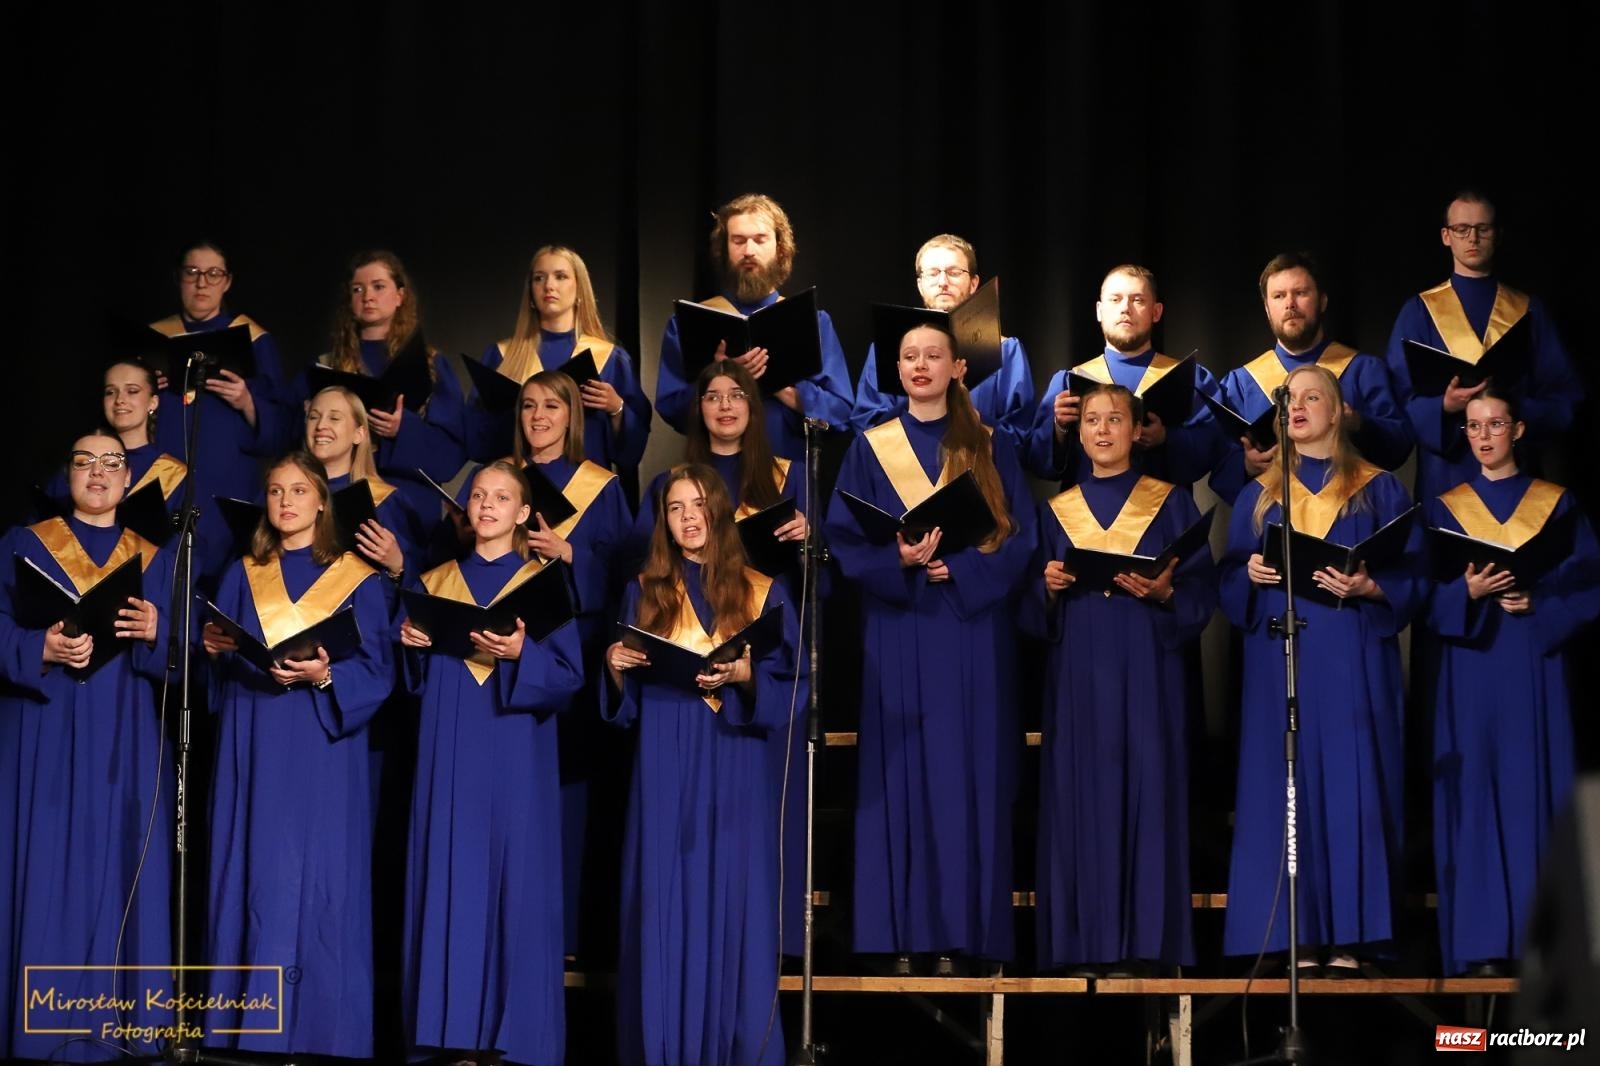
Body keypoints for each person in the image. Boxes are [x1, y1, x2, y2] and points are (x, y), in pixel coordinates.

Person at [825, 323, 1035, 972]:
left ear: (957, 369)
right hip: (899, 626)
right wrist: (898, 557)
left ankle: (964, 935)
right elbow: (843, 539)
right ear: (896, 366)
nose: (920, 365)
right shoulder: (871, 446)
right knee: (901, 779)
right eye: (909, 355)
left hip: (969, 630)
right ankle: (902, 937)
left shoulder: (988, 444)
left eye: (933, 356)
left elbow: (1020, 539)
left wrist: (961, 570)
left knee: (966, 778)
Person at [1219, 365, 1423, 975]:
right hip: (1282, 662)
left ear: (1338, 413)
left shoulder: (1380, 489)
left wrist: (1371, 585)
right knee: (1286, 789)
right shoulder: (1259, 497)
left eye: (1314, 397)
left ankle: (1353, 933)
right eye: (1290, 400)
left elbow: (1414, 574)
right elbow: (1229, 576)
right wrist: (1248, 577)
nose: (1299, 407)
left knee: (1353, 786)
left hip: (1353, 656)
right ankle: (1294, 933)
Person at [604, 465, 800, 1066]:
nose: (689, 518)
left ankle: (739, 1048)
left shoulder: (763, 589)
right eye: (675, 508)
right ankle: (664, 1046)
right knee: (666, 896)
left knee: (736, 898)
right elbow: (621, 702)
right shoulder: (644, 590)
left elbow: (798, 686)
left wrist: (745, 676)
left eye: (699, 506)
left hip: (736, 755)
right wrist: (613, 665)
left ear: (720, 512)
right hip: (666, 750)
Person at [201, 451, 393, 1057]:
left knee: (323, 879)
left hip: (321, 743)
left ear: (321, 500)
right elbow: (225, 652)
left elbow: (380, 669)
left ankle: (322, 1030)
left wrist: (328, 674)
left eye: (299, 490)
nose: (286, 502)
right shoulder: (241, 571)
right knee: (253, 869)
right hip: (253, 734)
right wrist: (215, 648)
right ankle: (243, 1027)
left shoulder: (357, 576)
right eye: (276, 491)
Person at [1023, 386, 1217, 974]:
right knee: (1082, 792)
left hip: (1147, 669)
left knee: (1147, 789)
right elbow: (1030, 605)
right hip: (1081, 670)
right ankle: (1085, 943)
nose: (1102, 430)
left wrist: (1167, 593)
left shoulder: (1171, 502)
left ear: (1138, 431)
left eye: (1115, 419)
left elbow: (1201, 589)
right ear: (1078, 433)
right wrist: (1048, 589)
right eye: (1090, 420)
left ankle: (1145, 943)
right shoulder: (1058, 510)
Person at [399, 461, 585, 1065]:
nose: (486, 506)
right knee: (450, 876)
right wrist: (414, 647)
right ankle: (446, 1035)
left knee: (515, 881)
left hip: (514, 748)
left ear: (524, 513)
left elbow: (568, 676)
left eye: (501, 497)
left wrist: (520, 652)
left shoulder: (544, 582)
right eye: (478, 496)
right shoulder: (434, 581)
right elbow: (411, 681)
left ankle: (514, 1040)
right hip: (448, 745)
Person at [0, 430, 173, 1061]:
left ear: (129, 480)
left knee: (121, 865)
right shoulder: (24, 544)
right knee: (42, 867)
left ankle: (119, 1033)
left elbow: (195, 660)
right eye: (83, 462)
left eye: (112, 463)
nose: (97, 472)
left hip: (123, 733)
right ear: (65, 474)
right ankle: (36, 1033)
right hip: (42, 727)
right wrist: (35, 647)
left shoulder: (155, 558)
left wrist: (159, 631)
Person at [1424, 389, 1600, 977]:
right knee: (1476, 793)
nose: (1483, 435)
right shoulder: (1446, 508)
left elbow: (1589, 584)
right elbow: (1419, 595)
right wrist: (1465, 593)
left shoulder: (1556, 503)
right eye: (1473, 426)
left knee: (1534, 792)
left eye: (1495, 423)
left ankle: (1542, 941)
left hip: (1532, 658)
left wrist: (1542, 599)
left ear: (1518, 429)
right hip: (1472, 662)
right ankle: (1481, 947)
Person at [505, 370, 633, 959]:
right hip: (509, 647)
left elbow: (626, 577)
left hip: (574, 652)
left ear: (570, 416)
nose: (538, 416)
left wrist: (570, 553)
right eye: (529, 405)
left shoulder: (600, 487)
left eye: (551, 406)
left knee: (571, 797)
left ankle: (567, 934)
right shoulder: (501, 483)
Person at [1384, 189, 1583, 501]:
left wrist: (1513, 408)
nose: (1472, 238)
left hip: (1516, 474)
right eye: (1462, 229)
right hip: (1446, 479)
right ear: (1446, 236)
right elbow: (1398, 399)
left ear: (1497, 234)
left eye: (1482, 229)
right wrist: (1444, 406)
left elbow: (1565, 397)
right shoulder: (1419, 311)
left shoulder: (1527, 310)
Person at [654, 193, 853, 458]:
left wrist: (781, 386)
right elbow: (670, 407)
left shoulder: (813, 322)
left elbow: (840, 411)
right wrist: (717, 377)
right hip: (713, 477)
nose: (749, 251)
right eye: (738, 241)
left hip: (785, 472)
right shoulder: (688, 323)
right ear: (724, 249)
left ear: (780, 248)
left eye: (760, 240)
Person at [1209, 253, 1413, 504]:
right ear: (1267, 308)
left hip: (1351, 516)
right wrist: (1247, 466)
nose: (1290, 304)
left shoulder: (1363, 370)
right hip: (1275, 521)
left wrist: (1358, 423)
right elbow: (1217, 467)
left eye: (1301, 293)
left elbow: (1399, 447)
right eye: (1279, 296)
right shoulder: (1240, 384)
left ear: (1322, 301)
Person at [149, 241, 291, 575]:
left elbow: (282, 429)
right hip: (164, 482)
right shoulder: (155, 339)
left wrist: (247, 401)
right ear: (178, 278)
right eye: (192, 272)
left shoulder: (254, 341)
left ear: (227, 282)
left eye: (213, 274)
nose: (202, 283)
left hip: (228, 484)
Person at [305, 249, 469, 529]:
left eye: (378, 286)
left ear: (400, 296)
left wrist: (402, 429)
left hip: (409, 504)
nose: (367, 296)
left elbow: (451, 457)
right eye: (358, 289)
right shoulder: (327, 367)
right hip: (339, 497)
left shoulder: (430, 364)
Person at [1024, 264, 1225, 490]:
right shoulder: (1069, 382)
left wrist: (1166, 438)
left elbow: (1214, 448)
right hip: (1087, 520)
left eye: (1137, 300)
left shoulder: (1189, 378)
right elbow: (1039, 463)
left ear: (1156, 312)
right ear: (1099, 310)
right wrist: (1059, 428)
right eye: (1115, 299)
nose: (1125, 308)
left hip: (1164, 517)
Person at [467, 245, 651, 480]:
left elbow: (631, 453)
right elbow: (477, 441)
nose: (549, 286)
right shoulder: (503, 356)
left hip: (586, 493)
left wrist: (617, 409)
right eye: (539, 278)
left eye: (561, 276)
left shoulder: (610, 359)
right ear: (531, 293)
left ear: (580, 289)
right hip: (519, 492)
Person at [848, 233, 1035, 444]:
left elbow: (1023, 436)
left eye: (954, 272)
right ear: (920, 284)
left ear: (974, 284)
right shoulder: (888, 348)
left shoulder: (1004, 351)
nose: (943, 282)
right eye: (933, 273)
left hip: (980, 466)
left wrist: (974, 421)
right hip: (905, 471)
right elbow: (867, 423)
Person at [304, 384, 423, 588]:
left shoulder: (385, 501)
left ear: (358, 434)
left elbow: (413, 581)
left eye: (334, 418)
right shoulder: (282, 493)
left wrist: (397, 565)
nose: (321, 425)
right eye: (314, 416)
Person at [41, 360, 187, 522]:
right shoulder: (80, 461)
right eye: (110, 392)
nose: (119, 400)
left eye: (132, 391)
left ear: (153, 402)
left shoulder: (172, 472)